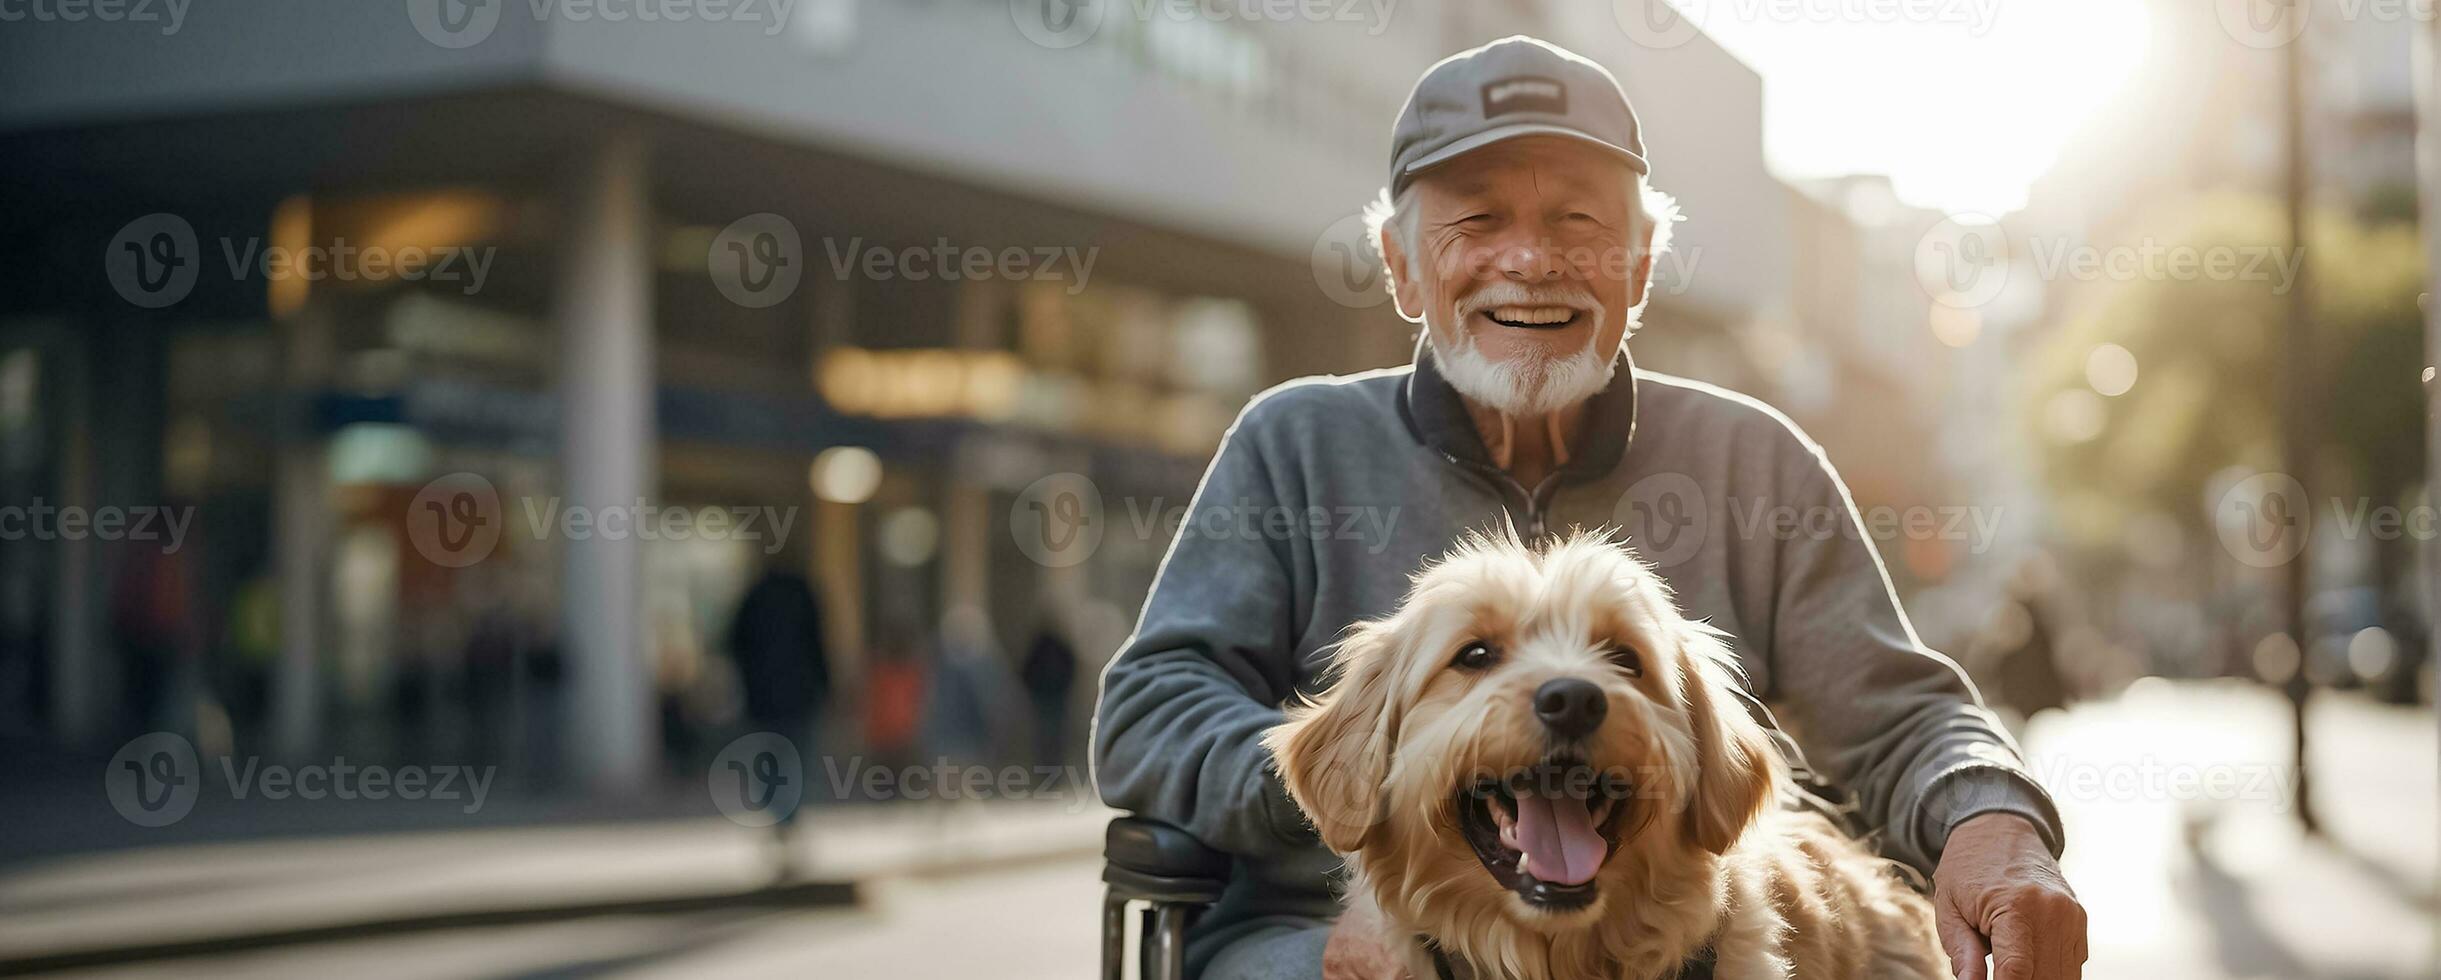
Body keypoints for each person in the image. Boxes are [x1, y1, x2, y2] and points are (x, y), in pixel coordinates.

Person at [1092, 36, 2085, 980]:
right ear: (1399, 267)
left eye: (1577, 220)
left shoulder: (1756, 462)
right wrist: (1369, 819)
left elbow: (1901, 714)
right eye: (1476, 220)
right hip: (1319, 931)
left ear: (1641, 265)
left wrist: (1990, 822)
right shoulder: (1292, 444)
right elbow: (1149, 707)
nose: (1530, 259)